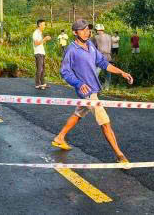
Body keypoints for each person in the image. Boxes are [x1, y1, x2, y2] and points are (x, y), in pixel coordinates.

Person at [52, 19, 134, 164]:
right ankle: (119, 155)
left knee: (78, 114)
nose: (86, 32)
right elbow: (65, 72)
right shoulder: (71, 50)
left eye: (88, 29)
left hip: (92, 90)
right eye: (82, 29)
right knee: (105, 123)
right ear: (74, 32)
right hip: (87, 93)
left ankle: (60, 137)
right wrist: (78, 83)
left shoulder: (90, 45)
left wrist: (121, 72)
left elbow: (102, 63)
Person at [32, 19, 52, 90]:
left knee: (42, 69)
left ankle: (43, 83)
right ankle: (37, 84)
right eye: (44, 24)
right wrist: (45, 39)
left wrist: (45, 39)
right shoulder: (36, 33)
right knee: (39, 69)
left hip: (42, 53)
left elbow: (40, 43)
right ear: (39, 25)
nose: (45, 26)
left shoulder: (40, 33)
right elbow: (36, 43)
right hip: (38, 53)